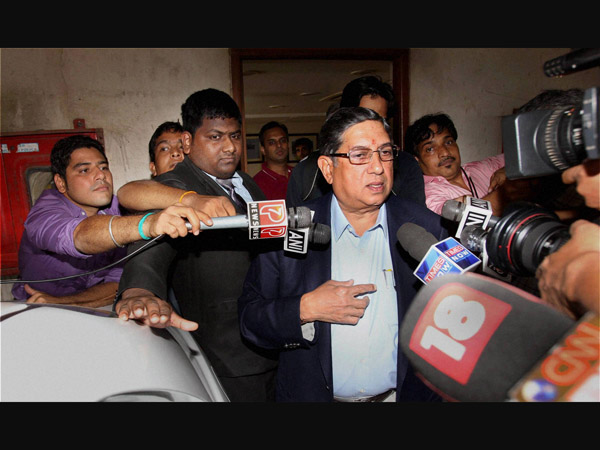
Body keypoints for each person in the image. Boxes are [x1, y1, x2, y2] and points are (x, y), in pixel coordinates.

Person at [238, 107, 449, 402]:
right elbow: (251, 320)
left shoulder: (425, 228)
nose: (378, 167)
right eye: (360, 155)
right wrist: (304, 308)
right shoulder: (291, 230)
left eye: (385, 153)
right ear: (328, 168)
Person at [114, 88, 279, 402]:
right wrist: (139, 291)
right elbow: (151, 239)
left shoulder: (247, 183)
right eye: (215, 137)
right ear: (188, 142)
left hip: (272, 335)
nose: (229, 147)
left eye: (235, 136)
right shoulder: (177, 185)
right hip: (226, 350)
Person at [11, 135, 204, 307]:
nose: (101, 175)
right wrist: (147, 224)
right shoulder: (45, 212)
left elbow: (116, 284)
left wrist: (64, 302)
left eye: (104, 167)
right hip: (34, 309)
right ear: (61, 183)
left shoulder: (118, 209)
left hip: (94, 308)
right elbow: (80, 236)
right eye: (84, 170)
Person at [286, 75, 425, 208]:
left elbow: (415, 216)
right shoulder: (307, 171)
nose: (377, 168)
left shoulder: (405, 165)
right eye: (365, 116)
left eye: (381, 119)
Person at [404, 113, 511, 216]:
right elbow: (461, 217)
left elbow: (518, 157)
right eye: (430, 149)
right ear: (417, 160)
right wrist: (509, 187)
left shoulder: (482, 167)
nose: (445, 153)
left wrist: (508, 169)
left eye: (448, 142)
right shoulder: (425, 194)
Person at [252, 121, 294, 200]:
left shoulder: (300, 174)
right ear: (263, 149)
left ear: (288, 145)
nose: (279, 145)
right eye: (272, 142)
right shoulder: (256, 185)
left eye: (283, 140)